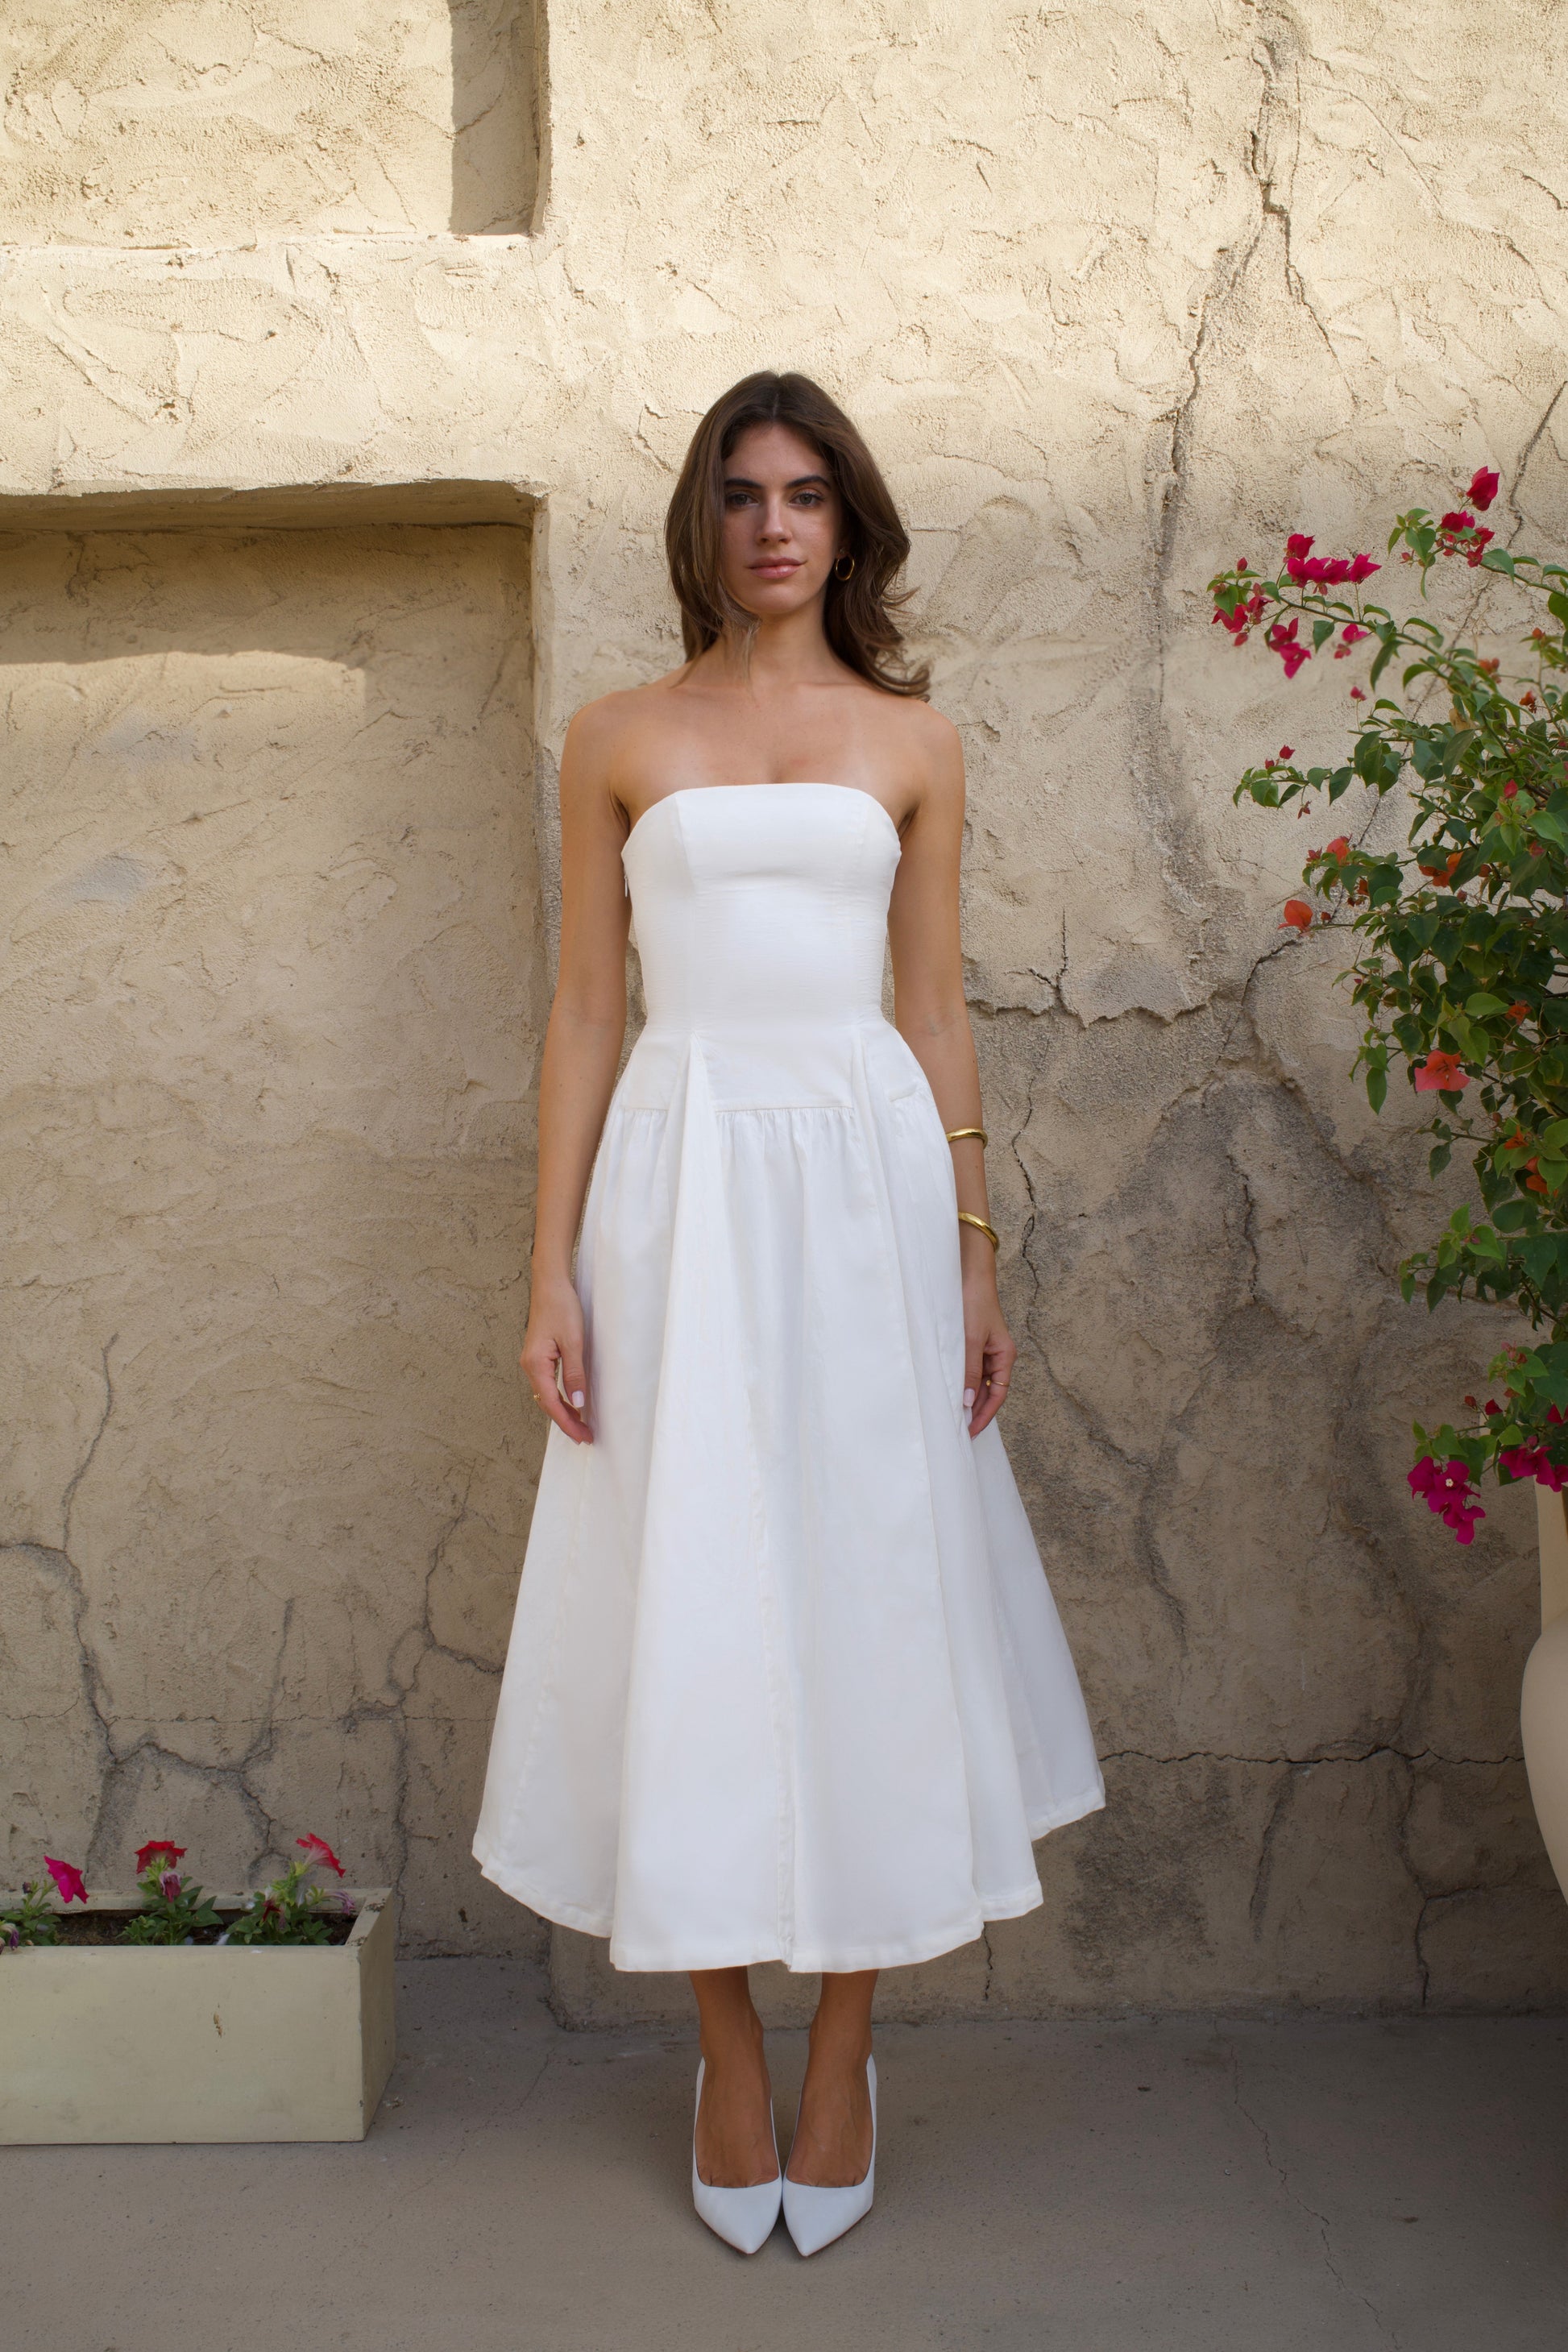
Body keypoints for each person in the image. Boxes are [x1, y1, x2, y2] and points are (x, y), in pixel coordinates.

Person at [474, 371, 1104, 2256]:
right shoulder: (613, 735)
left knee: (865, 1583)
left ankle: (846, 2046)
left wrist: (977, 1242)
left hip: (866, 1182)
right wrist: (550, 1262)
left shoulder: (913, 739)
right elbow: (589, 1009)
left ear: (847, 522)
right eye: (743, 491)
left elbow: (931, 1009)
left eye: (808, 491)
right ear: (704, 520)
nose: (773, 522)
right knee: (698, 1582)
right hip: (678, 1183)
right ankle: (724, 2045)